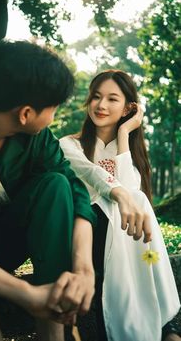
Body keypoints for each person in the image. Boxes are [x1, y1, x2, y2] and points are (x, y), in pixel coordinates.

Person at [0, 39, 99, 341]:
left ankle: (55, 331)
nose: (53, 117)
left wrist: (84, 269)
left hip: (1, 248)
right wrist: (24, 293)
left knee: (56, 184)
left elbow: (75, 192)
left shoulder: (37, 140)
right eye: (53, 108)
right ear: (25, 113)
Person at [60, 70, 180, 341]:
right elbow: (97, 178)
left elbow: (129, 190)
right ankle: (165, 326)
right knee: (131, 198)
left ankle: (161, 323)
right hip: (86, 230)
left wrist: (124, 132)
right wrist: (119, 194)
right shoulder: (69, 145)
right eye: (96, 97)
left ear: (128, 108)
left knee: (135, 197)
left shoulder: (129, 150)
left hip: (125, 235)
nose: (101, 105)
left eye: (112, 99)